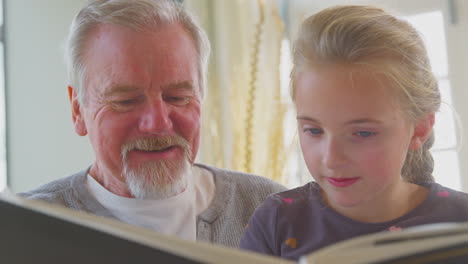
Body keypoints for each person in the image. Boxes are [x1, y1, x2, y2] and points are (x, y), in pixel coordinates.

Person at [20, 0, 285, 248]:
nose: (158, 122)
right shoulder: (23, 231)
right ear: (78, 110)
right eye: (126, 100)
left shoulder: (275, 212)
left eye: (178, 97)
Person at [239, 5, 468, 260]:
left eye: (363, 133)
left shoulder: (462, 222)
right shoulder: (276, 223)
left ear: (420, 128)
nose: (331, 159)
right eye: (314, 130)